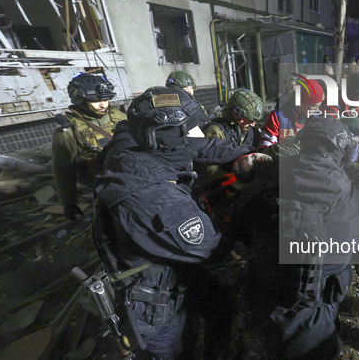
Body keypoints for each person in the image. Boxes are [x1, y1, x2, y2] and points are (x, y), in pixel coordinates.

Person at [232, 117, 359, 359]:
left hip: (262, 301)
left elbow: (244, 236)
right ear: (344, 153)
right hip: (313, 316)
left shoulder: (255, 191)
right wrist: (353, 176)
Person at [93, 86, 253, 360]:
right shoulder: (159, 199)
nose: (197, 132)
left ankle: (214, 351)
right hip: (154, 297)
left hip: (165, 259)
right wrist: (238, 202)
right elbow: (213, 250)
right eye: (190, 127)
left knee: (221, 305)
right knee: (178, 348)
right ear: (170, 136)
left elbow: (203, 146)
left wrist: (255, 152)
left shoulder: (132, 140)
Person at [52, 73, 126, 221]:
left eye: (105, 99)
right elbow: (63, 171)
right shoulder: (68, 132)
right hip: (104, 189)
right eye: (96, 100)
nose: (102, 104)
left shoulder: (120, 117)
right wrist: (68, 202)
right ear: (81, 99)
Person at [202, 89, 264, 179]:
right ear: (237, 115)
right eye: (250, 120)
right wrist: (237, 176)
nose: (253, 124)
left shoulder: (252, 132)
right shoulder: (215, 131)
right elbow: (208, 169)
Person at [260, 79, 324, 146]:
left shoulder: (318, 119)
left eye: (319, 105)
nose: (317, 109)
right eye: (314, 106)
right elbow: (265, 146)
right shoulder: (277, 117)